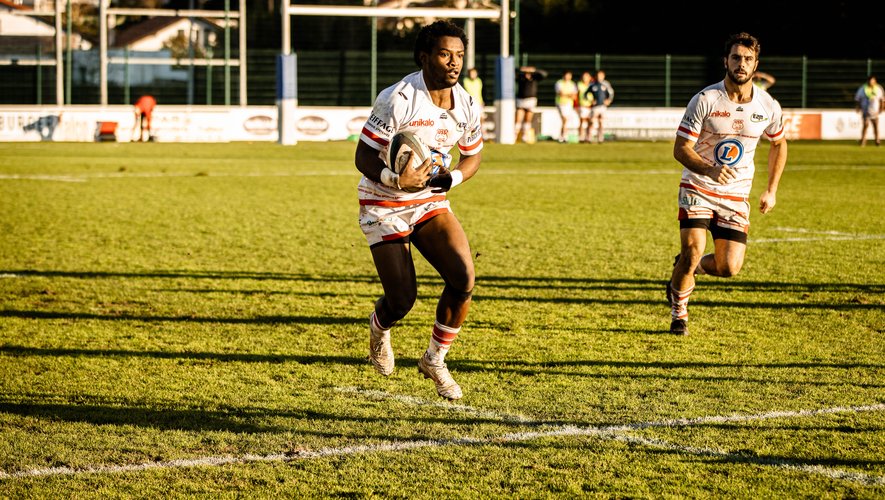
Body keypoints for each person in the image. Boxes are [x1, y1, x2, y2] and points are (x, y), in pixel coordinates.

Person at [354, 20, 483, 400]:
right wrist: (396, 179)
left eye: (459, 55)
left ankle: (434, 359)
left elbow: (473, 155)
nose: (454, 62)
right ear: (424, 57)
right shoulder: (398, 98)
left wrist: (452, 178)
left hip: (428, 200)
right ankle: (379, 328)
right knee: (402, 300)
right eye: (445, 54)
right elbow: (362, 155)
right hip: (383, 203)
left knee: (463, 278)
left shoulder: (467, 104)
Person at [667, 32, 787, 335]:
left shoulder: (768, 105)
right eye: (736, 57)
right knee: (693, 249)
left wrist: (771, 190)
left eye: (747, 59)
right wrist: (709, 170)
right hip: (698, 186)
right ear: (726, 61)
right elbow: (681, 149)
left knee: (729, 267)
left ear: (756, 64)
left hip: (736, 194)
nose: (741, 64)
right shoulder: (705, 99)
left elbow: (778, 143)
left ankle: (689, 267)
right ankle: (679, 313)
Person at [515, 66, 547, 143]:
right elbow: (514, 70)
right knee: (518, 120)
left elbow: (544, 74)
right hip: (521, 100)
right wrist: (523, 69)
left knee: (528, 120)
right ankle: (514, 136)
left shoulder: (535, 78)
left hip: (531, 100)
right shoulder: (520, 77)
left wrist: (534, 70)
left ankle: (525, 137)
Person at [855, 75, 884, 146]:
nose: (872, 82)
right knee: (865, 125)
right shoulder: (862, 89)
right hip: (865, 110)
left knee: (875, 126)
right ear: (868, 81)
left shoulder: (878, 89)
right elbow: (858, 99)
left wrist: (881, 108)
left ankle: (877, 140)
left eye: (873, 80)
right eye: (870, 80)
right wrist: (858, 107)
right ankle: (863, 140)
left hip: (875, 111)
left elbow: (882, 99)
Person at [586, 70, 614, 143]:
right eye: (598, 75)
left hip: (603, 107)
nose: (599, 77)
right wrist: (591, 100)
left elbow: (611, 93)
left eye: (601, 75)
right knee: (592, 122)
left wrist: (608, 100)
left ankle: (600, 138)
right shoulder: (592, 84)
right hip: (595, 107)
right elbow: (586, 94)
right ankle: (589, 138)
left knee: (601, 122)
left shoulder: (606, 84)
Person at [554, 70, 578, 142]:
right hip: (561, 103)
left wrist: (567, 95)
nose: (568, 77)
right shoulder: (559, 83)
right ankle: (564, 136)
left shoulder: (572, 84)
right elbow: (561, 93)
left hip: (569, 104)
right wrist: (569, 95)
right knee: (565, 119)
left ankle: (562, 137)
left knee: (565, 121)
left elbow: (574, 96)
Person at [577, 71, 595, 142]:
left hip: (591, 106)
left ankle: (588, 137)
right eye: (584, 77)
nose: (585, 78)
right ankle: (581, 137)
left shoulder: (592, 85)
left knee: (590, 122)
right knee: (583, 121)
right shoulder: (579, 85)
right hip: (583, 105)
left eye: (587, 77)